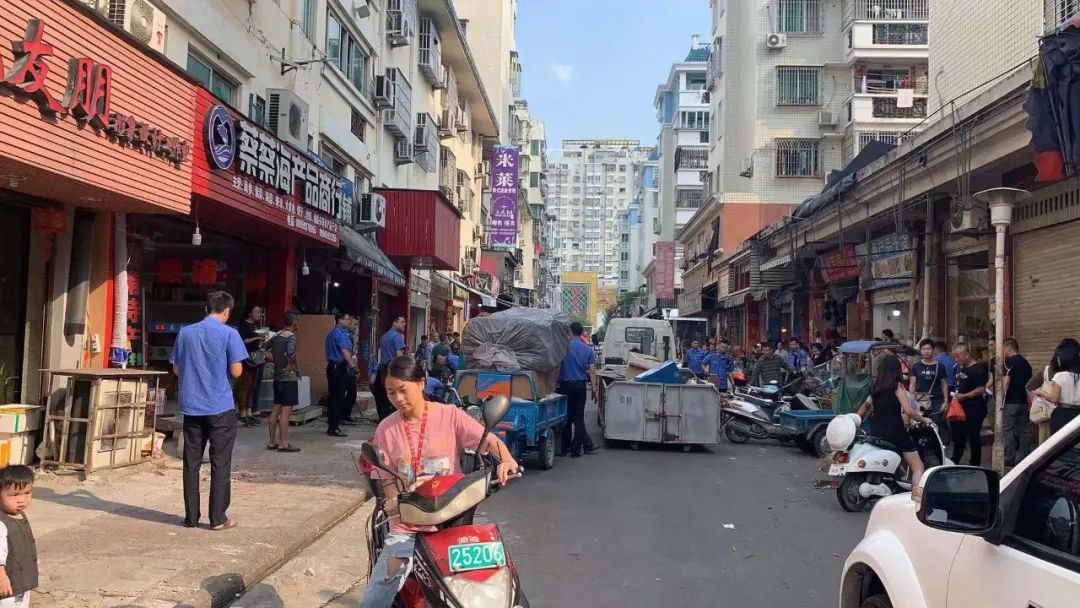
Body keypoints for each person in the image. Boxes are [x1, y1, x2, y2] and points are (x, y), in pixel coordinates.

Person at [362, 356, 520, 608]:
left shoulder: (449, 415)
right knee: (375, 596)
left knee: (491, 582)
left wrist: (507, 460)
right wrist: (392, 502)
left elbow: (488, 440)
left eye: (403, 390)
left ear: (421, 383)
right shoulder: (386, 429)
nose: (398, 399)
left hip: (452, 521)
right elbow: (386, 478)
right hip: (407, 528)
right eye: (391, 392)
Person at [171, 291, 247, 530]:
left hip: (192, 407)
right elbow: (236, 371)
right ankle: (218, 518)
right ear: (226, 311)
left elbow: (175, 369)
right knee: (220, 462)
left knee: (191, 462)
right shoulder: (230, 334)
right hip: (220, 407)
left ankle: (191, 517)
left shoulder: (185, 333)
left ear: (206, 309)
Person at [867, 355, 931, 486]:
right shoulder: (898, 387)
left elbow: (867, 407)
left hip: (876, 432)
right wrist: (924, 419)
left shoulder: (875, 388)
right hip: (895, 433)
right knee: (918, 466)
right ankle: (917, 499)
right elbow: (908, 410)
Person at [558, 322, 600, 458]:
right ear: (581, 333)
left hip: (565, 386)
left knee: (566, 418)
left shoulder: (563, 348)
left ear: (570, 332)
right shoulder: (587, 349)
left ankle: (564, 448)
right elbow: (592, 371)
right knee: (579, 418)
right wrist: (594, 389)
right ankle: (576, 450)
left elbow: (556, 367)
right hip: (580, 386)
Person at [0, 465, 36, 608]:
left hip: (21, 583)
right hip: (7, 587)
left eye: (27, 493)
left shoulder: (19, 515)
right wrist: (2, 579)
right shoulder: (1, 524)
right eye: (14, 495)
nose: (22, 500)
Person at [265, 312, 301, 453]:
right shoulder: (291, 336)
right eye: (299, 321)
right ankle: (283, 443)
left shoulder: (277, 334)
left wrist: (274, 359)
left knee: (275, 409)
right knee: (286, 411)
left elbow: (263, 347)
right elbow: (291, 352)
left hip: (277, 377)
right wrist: (289, 365)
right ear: (295, 322)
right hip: (288, 378)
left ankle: (272, 441)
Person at [951, 344, 989, 466]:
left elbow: (981, 389)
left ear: (967, 355)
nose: (956, 360)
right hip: (961, 407)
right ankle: (955, 460)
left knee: (973, 436)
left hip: (974, 408)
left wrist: (965, 396)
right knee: (958, 435)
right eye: (955, 357)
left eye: (958, 357)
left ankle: (975, 463)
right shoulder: (963, 368)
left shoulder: (978, 369)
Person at [1034, 338, 1080, 435]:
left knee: (1062, 445)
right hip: (1078, 415)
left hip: (1063, 414)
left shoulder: (1061, 376)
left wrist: (1041, 392)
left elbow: (1054, 398)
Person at [910, 338, 950, 444]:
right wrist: (910, 399)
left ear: (933, 350)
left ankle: (937, 444)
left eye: (929, 349)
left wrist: (946, 401)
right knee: (921, 422)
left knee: (936, 421)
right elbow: (912, 383)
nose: (926, 351)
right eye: (924, 349)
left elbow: (944, 384)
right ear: (921, 351)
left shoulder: (940, 366)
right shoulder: (916, 366)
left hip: (936, 399)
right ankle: (923, 443)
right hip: (920, 399)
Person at [325, 312, 358, 438]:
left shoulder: (334, 333)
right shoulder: (339, 333)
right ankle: (334, 426)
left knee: (334, 396)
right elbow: (345, 351)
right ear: (340, 320)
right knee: (338, 397)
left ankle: (332, 423)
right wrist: (353, 366)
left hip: (334, 366)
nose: (349, 321)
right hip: (338, 366)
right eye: (347, 319)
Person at [1000, 338, 1032, 466]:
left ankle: (1009, 458)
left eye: (1003, 348)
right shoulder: (1026, 364)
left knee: (1008, 430)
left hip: (1010, 402)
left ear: (1008, 348)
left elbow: (1005, 383)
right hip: (1023, 401)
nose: (1002, 351)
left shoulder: (1008, 363)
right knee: (1024, 430)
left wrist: (1001, 400)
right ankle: (1026, 457)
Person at [373, 316, 408, 421]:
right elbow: (399, 355)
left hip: (382, 370)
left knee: (382, 398)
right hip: (392, 370)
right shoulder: (397, 336)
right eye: (402, 322)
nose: (404, 324)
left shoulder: (384, 336)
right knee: (392, 398)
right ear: (394, 323)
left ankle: (382, 421)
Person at [235, 304, 265, 427]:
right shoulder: (244, 325)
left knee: (252, 386)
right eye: (256, 312)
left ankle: (249, 412)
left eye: (259, 312)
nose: (259, 314)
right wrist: (256, 338)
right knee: (245, 386)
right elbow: (242, 341)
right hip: (247, 358)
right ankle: (242, 413)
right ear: (249, 313)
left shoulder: (255, 325)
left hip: (256, 358)